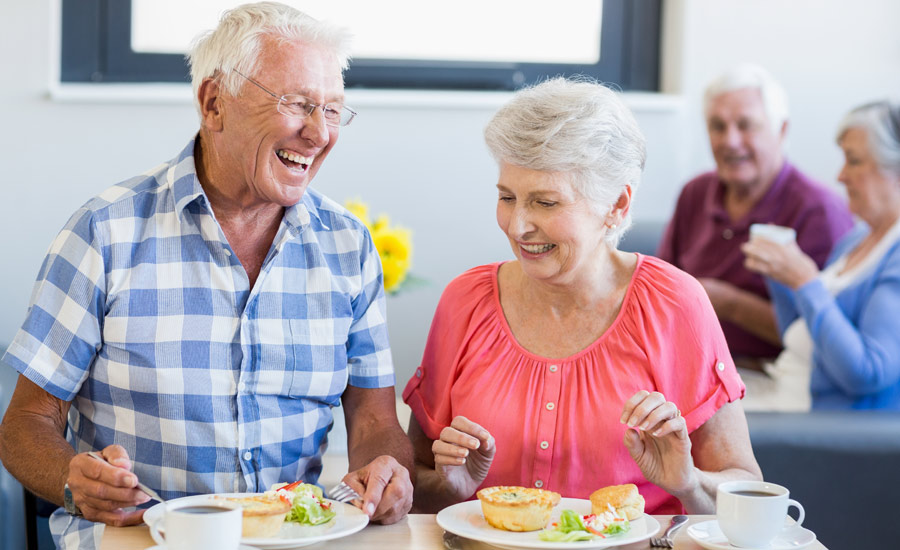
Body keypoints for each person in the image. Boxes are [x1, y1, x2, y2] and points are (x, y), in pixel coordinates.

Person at [0, 3, 413, 548]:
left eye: (333, 110)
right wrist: (72, 479)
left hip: (290, 536)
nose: (318, 133)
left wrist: (385, 471)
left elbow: (374, 420)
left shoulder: (348, 245)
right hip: (139, 537)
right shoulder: (104, 232)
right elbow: (26, 422)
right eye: (296, 104)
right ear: (214, 103)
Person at [403, 77, 762, 515]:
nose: (517, 226)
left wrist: (689, 483)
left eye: (546, 203)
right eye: (507, 197)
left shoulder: (675, 304)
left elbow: (745, 490)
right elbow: (415, 481)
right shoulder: (465, 301)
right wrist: (448, 488)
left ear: (618, 206)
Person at [657, 64, 852, 369]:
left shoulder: (819, 210)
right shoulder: (695, 192)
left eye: (746, 125)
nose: (730, 141)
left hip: (770, 373)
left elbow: (830, 336)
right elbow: (661, 291)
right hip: (687, 366)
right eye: (717, 127)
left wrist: (729, 304)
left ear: (781, 130)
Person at [742, 100, 900, 410]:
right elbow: (800, 335)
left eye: (853, 161)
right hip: (786, 390)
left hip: (817, 422)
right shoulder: (856, 239)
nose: (840, 176)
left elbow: (867, 372)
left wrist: (805, 281)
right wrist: (780, 276)